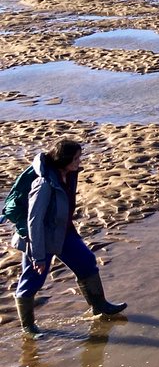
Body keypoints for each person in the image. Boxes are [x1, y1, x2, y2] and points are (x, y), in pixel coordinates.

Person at [12, 138, 126, 338]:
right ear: (63, 159)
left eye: (79, 157)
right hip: (41, 238)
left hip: (64, 233)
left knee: (86, 261)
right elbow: (34, 222)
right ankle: (28, 327)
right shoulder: (44, 184)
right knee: (32, 280)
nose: (79, 162)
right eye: (76, 158)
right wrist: (37, 256)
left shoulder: (68, 174)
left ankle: (100, 307)